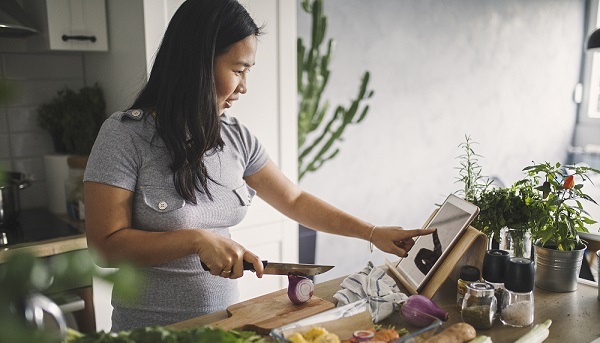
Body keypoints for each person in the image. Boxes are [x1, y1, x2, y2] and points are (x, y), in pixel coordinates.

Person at [83, 0, 435, 331]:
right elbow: (104, 246)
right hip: (151, 332)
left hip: (225, 326)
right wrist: (194, 240)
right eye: (238, 70)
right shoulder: (124, 135)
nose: (244, 87)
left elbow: (294, 200)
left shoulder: (237, 138)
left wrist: (372, 233)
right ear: (197, 63)